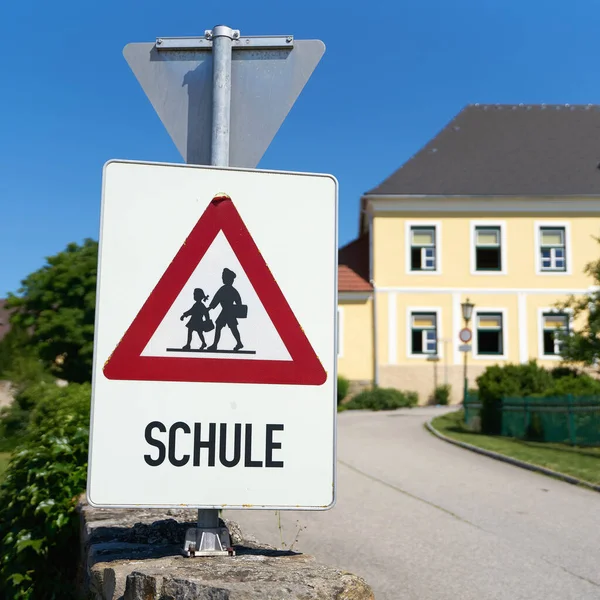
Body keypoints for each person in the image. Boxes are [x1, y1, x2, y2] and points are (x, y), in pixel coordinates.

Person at [208, 268, 244, 351]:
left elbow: (216, 299)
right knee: (229, 327)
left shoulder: (225, 289)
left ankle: (216, 345)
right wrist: (209, 308)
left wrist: (209, 308)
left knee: (228, 327)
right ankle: (238, 343)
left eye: (224, 277)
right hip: (228, 311)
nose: (223, 279)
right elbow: (216, 300)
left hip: (228, 312)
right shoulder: (230, 290)